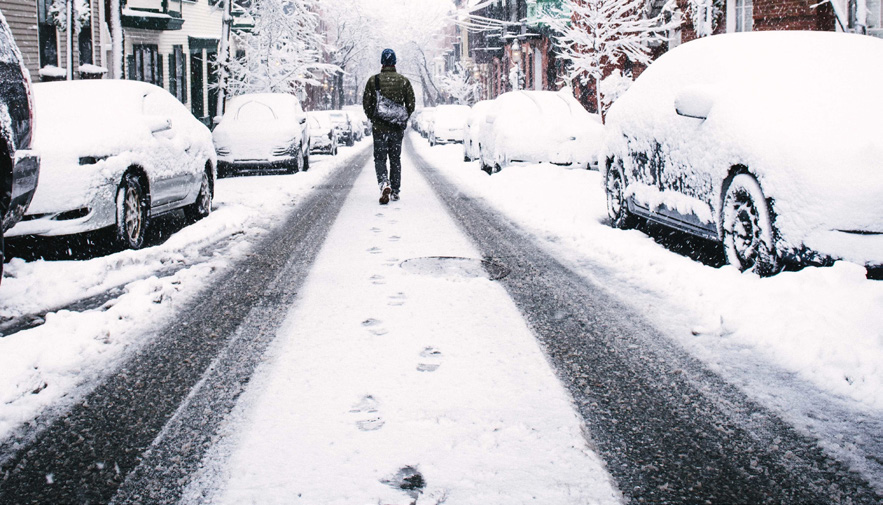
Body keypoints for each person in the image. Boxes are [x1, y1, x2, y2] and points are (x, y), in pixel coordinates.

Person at [363, 48, 415, 204]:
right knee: (395, 159)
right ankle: (396, 190)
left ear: (382, 62)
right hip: (396, 129)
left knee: (380, 159)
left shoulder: (374, 81)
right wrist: (401, 118)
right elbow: (411, 104)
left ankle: (384, 182)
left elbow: (367, 104)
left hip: (379, 129)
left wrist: (374, 118)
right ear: (394, 62)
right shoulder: (403, 81)